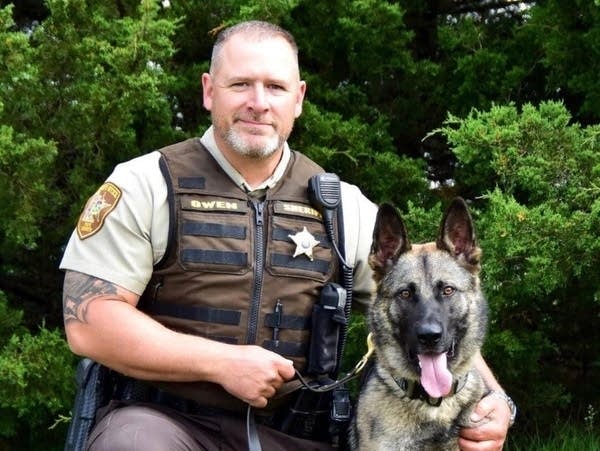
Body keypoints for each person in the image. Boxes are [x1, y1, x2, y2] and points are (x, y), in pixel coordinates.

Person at [60, 20, 513, 451]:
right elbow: (90, 322)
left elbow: (426, 311)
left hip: (300, 434)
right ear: (208, 90)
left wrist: (496, 402)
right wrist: (220, 363)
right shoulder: (147, 184)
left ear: (297, 99)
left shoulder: (341, 206)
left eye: (275, 87)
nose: (259, 102)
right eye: (240, 85)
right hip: (168, 426)